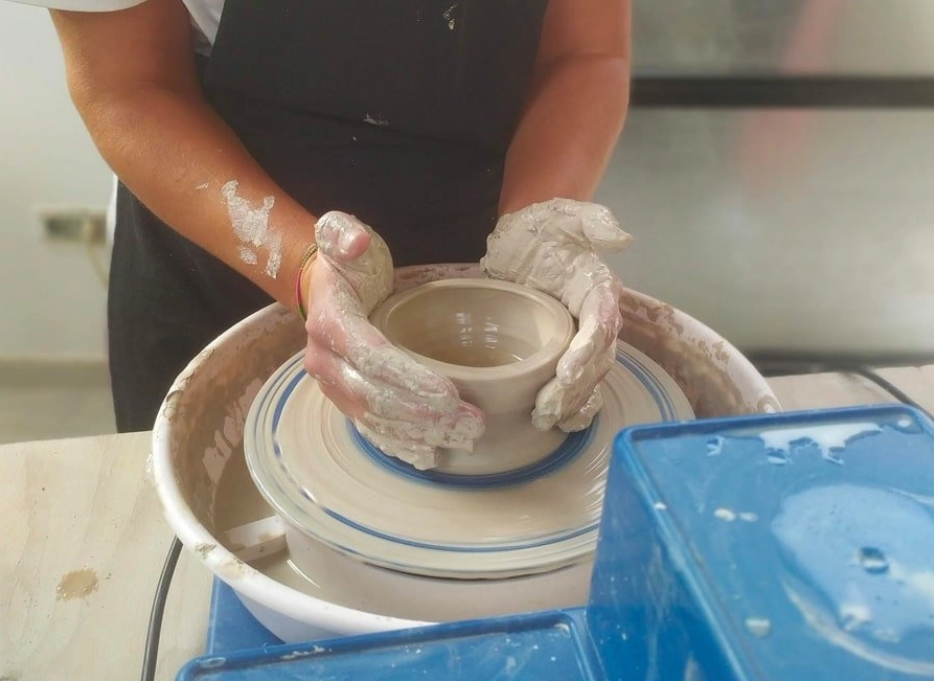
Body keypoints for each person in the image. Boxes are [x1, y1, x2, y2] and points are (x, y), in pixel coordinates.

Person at [22, 0, 632, 467]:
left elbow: (583, 54)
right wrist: (302, 264)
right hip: (224, 223)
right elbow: (126, 86)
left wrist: (536, 220)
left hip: (483, 213)